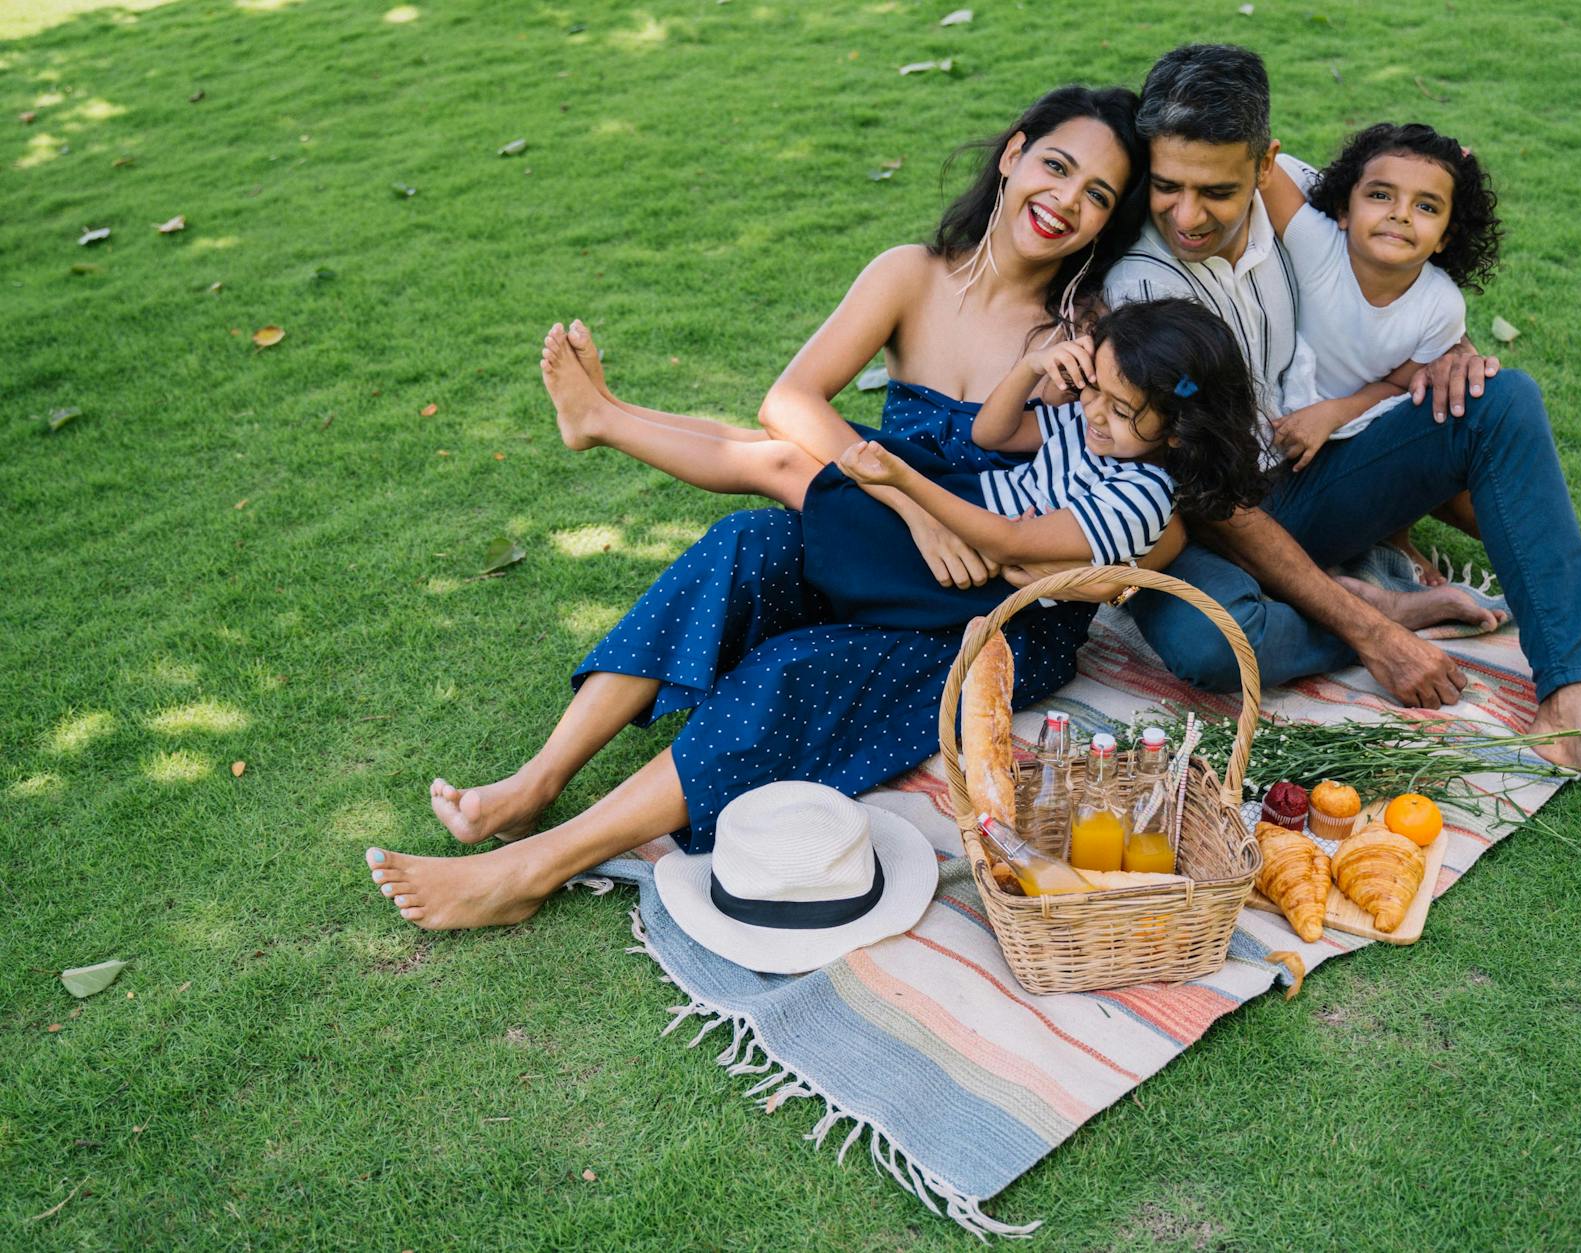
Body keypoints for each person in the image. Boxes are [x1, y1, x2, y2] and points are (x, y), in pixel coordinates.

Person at [364, 85, 1175, 930]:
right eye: (1056, 166)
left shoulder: (1086, 337)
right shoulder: (912, 275)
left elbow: (1157, 499)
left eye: (1097, 196)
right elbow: (790, 402)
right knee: (746, 540)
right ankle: (536, 782)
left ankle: (530, 869)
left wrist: (1093, 575)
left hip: (989, 607)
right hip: (891, 530)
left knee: (792, 673)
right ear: (1013, 154)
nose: (1065, 202)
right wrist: (916, 513)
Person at [1101, 43, 1581, 823]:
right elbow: (1211, 501)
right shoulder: (1140, 288)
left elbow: (1394, 253)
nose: (1187, 217)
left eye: (1216, 191)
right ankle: (1382, 604)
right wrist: (1368, 631)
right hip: (1207, 518)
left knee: (1499, 396)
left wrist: (1443, 354)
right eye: (1167, 187)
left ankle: (1576, 707)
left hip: (1305, 475)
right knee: (1206, 647)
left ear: (1265, 165)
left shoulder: (1309, 200)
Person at [540, 297, 1266, 629]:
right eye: (1095, 390)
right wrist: (1038, 366)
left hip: (963, 577)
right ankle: (611, 411)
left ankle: (601, 421)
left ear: (1178, 430)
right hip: (969, 497)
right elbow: (992, 430)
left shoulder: (1140, 495)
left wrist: (903, 484)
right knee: (784, 447)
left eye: (1120, 406)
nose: (1094, 413)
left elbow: (1008, 546)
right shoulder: (1095, 428)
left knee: (786, 468)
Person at [1259, 122, 1499, 584]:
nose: (1401, 214)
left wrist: (1332, 414)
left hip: (1361, 423)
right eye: (1381, 195)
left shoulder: (1441, 305)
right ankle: (1382, 538)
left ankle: (1396, 533)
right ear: (1344, 209)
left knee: (1470, 481)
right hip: (1278, 424)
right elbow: (1268, 167)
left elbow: (1397, 385)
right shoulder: (1317, 243)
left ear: (1447, 235)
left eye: (1426, 206)